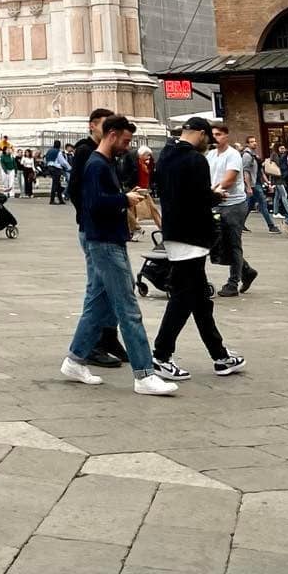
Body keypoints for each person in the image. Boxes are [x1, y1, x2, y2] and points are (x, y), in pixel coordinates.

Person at [61, 116, 177, 397]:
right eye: (125, 141)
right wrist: (124, 200)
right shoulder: (96, 165)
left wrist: (126, 195)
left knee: (100, 304)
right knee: (127, 308)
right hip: (105, 242)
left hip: (108, 239)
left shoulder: (103, 164)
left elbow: (100, 200)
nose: (128, 146)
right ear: (111, 135)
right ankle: (144, 374)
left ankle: (74, 360)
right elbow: (93, 205)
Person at [150, 118, 246, 380]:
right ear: (201, 134)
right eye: (208, 138)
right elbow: (200, 198)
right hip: (192, 235)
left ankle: (220, 355)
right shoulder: (195, 160)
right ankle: (160, 355)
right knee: (183, 298)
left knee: (200, 298)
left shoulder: (166, 155)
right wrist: (216, 196)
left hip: (173, 231)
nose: (209, 144)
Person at [67, 108, 130, 370]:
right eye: (106, 125)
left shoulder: (108, 155)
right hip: (94, 230)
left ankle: (108, 337)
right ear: (93, 126)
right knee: (97, 288)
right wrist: (88, 216)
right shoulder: (87, 153)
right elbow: (76, 190)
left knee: (106, 288)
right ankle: (90, 345)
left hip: (107, 228)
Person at [207, 124, 255, 297]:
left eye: (218, 134)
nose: (215, 138)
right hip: (216, 202)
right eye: (212, 135)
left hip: (234, 204)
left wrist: (210, 191)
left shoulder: (233, 155)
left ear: (226, 136)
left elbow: (229, 180)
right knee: (221, 243)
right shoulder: (210, 155)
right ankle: (247, 271)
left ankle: (233, 283)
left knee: (233, 243)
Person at [240, 134, 279, 233]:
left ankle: (240, 224)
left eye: (255, 141)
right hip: (253, 184)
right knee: (263, 204)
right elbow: (246, 172)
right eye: (252, 141)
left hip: (257, 182)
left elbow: (260, 171)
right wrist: (248, 186)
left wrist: (267, 182)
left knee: (249, 205)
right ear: (247, 144)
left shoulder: (255, 155)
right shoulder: (247, 156)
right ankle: (271, 226)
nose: (255, 143)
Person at [45, 139, 68, 205]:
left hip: (50, 168)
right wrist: (69, 167)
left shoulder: (49, 151)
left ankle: (60, 200)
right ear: (59, 145)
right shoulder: (58, 152)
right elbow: (63, 162)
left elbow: (45, 159)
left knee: (57, 184)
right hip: (56, 169)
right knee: (56, 185)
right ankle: (52, 200)